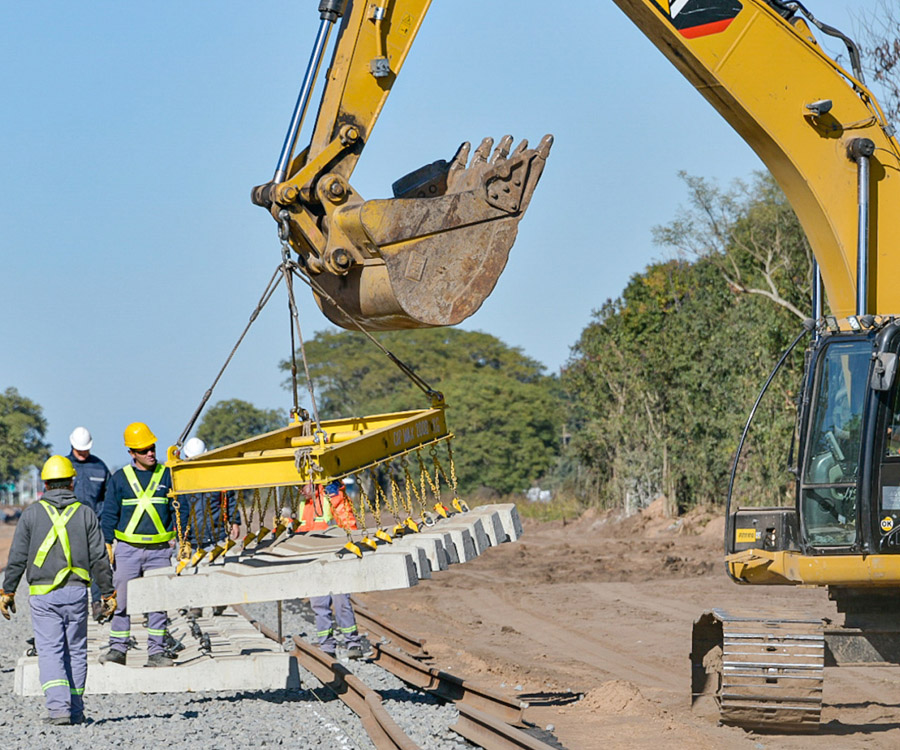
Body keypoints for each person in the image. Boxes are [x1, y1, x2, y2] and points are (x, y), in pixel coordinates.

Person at [0, 455, 115, 725]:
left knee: (51, 650)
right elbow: (100, 558)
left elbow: (16, 557)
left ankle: (58, 710)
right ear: (72, 483)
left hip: (43, 595)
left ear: (45, 485)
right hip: (76, 593)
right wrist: (108, 592)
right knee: (75, 650)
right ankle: (75, 710)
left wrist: (8, 591)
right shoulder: (86, 512)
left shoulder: (31, 514)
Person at [100, 422, 176, 667]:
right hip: (127, 550)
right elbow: (110, 512)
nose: (150, 453)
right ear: (131, 453)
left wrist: (183, 540)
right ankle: (118, 649)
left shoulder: (167, 474)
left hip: (160, 551)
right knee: (121, 601)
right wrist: (108, 543)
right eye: (143, 450)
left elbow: (179, 510)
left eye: (152, 448)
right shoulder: (120, 478)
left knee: (158, 602)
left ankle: (156, 652)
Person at [298, 480, 368, 659]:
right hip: (315, 559)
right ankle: (327, 646)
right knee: (319, 604)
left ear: (313, 484)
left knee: (341, 602)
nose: (300, 491)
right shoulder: (305, 505)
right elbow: (303, 529)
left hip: (336, 557)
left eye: (302, 487)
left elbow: (348, 522)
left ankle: (353, 643)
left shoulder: (332, 496)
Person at [177, 437, 240, 616]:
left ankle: (217, 601)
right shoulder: (181, 477)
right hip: (193, 534)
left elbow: (230, 498)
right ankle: (195, 605)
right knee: (193, 570)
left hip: (216, 532)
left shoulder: (216, 475)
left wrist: (234, 521)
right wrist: (179, 535)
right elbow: (177, 507)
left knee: (216, 568)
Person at [67, 426, 111, 621]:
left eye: (85, 449)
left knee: (97, 565)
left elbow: (108, 497)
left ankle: (96, 604)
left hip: (94, 524)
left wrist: (102, 519)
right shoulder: (64, 466)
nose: (83, 453)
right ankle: (71, 608)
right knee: (69, 566)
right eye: (80, 450)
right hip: (67, 526)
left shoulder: (99, 467)